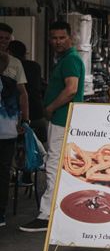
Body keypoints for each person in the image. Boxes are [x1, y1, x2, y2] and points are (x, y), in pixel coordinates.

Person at [20, 21, 84, 233]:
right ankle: (62, 209)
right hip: (66, 119)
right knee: (61, 165)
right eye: (54, 38)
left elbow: (71, 89)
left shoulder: (71, 60)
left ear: (70, 37)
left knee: (54, 165)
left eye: (61, 37)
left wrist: (50, 108)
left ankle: (47, 214)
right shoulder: (67, 59)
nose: (57, 41)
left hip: (62, 119)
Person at [0, 24, 30, 228]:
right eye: (0, 38)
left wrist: (24, 120)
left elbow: (22, 94)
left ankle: (0, 213)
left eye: (6, 39)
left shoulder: (16, 64)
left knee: (3, 171)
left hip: (7, 129)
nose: (3, 41)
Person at [7, 40, 46, 143]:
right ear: (25, 53)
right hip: (38, 114)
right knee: (41, 149)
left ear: (9, 52)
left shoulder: (10, 68)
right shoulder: (35, 66)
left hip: (18, 118)